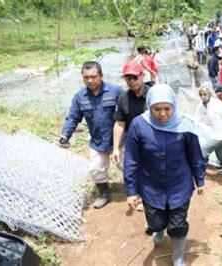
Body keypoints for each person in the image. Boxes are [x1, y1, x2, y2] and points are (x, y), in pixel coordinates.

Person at [124, 84, 205, 266]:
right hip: (151, 185)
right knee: (157, 222)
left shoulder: (185, 125)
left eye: (167, 109)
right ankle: (159, 229)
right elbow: (131, 159)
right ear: (149, 106)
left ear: (174, 106)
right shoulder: (139, 125)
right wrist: (131, 191)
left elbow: (195, 155)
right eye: (157, 109)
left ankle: (178, 257)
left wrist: (200, 179)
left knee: (177, 224)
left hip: (179, 184)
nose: (162, 114)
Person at [59, 61, 123, 209]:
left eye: (93, 76)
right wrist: (65, 135)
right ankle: (105, 193)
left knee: (129, 167)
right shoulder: (79, 97)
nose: (90, 80)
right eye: (86, 77)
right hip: (98, 141)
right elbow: (73, 118)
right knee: (96, 169)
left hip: (119, 140)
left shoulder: (116, 91)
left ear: (101, 76)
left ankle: (139, 193)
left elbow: (127, 113)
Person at [112, 61, 150, 169]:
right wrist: (115, 148)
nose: (132, 81)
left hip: (153, 139)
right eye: (128, 78)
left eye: (135, 77)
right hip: (132, 139)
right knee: (127, 167)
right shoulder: (123, 98)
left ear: (142, 76)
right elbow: (120, 123)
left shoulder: (154, 94)